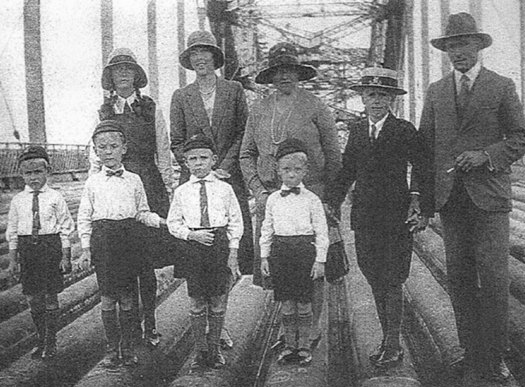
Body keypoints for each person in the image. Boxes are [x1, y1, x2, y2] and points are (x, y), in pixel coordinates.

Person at [419, 12, 525, 382]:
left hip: (489, 199)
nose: (458, 52)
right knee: (461, 279)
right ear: (446, 50)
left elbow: (520, 137)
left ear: (478, 46)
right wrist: (421, 197)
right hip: (451, 200)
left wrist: (487, 156)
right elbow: (425, 147)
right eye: (452, 46)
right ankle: (471, 352)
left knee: (495, 280)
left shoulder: (501, 86)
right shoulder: (436, 92)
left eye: (464, 44)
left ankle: (495, 355)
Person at [325, 67, 433, 367]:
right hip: (365, 218)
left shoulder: (404, 130)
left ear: (392, 100)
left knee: (393, 279)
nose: (377, 101)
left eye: (383, 95)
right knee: (373, 276)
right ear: (362, 97)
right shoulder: (359, 131)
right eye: (371, 95)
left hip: (396, 218)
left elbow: (423, 167)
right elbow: (348, 168)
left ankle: (393, 343)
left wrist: (418, 201)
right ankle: (387, 339)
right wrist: (331, 200)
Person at [240, 42, 342, 343]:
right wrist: (258, 191)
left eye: (290, 71)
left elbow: (334, 155)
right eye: (278, 72)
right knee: (279, 266)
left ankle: (312, 329)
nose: (284, 77)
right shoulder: (259, 108)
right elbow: (246, 154)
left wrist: (330, 198)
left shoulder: (315, 106)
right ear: (270, 76)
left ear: (298, 74)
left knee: (314, 266)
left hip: (312, 195)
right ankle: (288, 331)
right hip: (273, 198)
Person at [95, 47, 174, 347]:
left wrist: (165, 189)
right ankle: (129, 332)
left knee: (147, 261)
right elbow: (98, 152)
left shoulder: (151, 108)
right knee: (123, 261)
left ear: (136, 75)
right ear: (111, 77)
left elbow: (162, 151)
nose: (123, 74)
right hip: (116, 188)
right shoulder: (103, 111)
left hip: (148, 184)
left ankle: (150, 325)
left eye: (128, 69)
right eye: (117, 70)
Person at [78, 121, 166, 367]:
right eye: (102, 147)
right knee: (107, 298)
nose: (108, 151)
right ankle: (111, 349)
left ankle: (127, 347)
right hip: (103, 240)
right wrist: (85, 248)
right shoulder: (92, 183)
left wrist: (162, 222)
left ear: (124, 148)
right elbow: (85, 217)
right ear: (95, 151)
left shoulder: (135, 180)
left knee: (127, 297)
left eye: (113, 146)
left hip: (129, 239)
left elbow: (142, 211)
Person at [170, 30, 253, 277]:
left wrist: (223, 166)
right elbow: (176, 141)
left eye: (204, 51)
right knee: (195, 251)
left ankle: (228, 297)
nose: (199, 58)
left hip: (227, 175)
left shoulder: (234, 89)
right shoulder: (181, 96)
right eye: (194, 53)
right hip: (195, 178)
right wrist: (197, 168)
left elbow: (243, 133)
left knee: (233, 240)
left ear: (214, 56)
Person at [167, 134, 243, 369]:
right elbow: (173, 223)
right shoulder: (181, 192)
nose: (198, 163)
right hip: (194, 246)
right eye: (192, 159)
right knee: (197, 302)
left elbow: (235, 222)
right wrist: (191, 235)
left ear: (214, 160)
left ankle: (215, 348)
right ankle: (200, 351)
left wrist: (232, 252)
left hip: (218, 244)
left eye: (203, 157)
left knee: (218, 301)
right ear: (185, 163)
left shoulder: (225, 189)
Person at [260, 138, 329, 365]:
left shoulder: (313, 200)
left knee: (304, 302)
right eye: (286, 169)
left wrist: (319, 261)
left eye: (297, 169)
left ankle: (304, 346)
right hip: (281, 253)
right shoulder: (272, 200)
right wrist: (264, 256)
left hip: (304, 253)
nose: (291, 175)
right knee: (287, 303)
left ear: (305, 171)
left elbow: (322, 232)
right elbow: (267, 229)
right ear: (278, 171)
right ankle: (289, 345)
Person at [6, 146, 74, 360]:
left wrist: (65, 256)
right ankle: (40, 338)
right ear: (21, 174)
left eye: (38, 172)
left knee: (50, 297)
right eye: (28, 173)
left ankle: (51, 341)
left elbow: (65, 228)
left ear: (48, 171)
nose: (33, 177)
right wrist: (12, 260)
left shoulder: (55, 197)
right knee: (33, 298)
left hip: (49, 248)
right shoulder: (18, 200)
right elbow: (13, 231)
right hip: (27, 250)